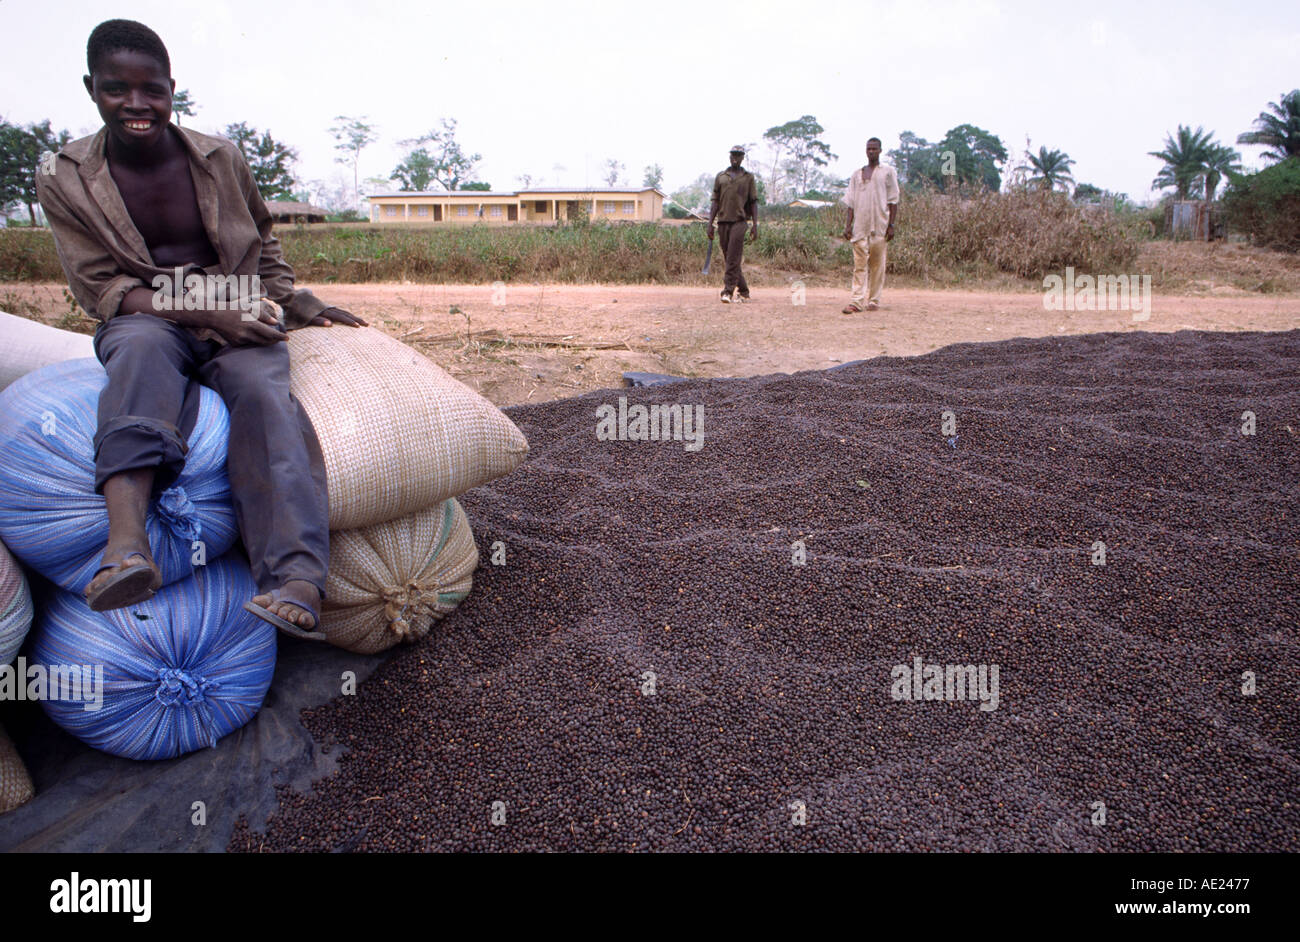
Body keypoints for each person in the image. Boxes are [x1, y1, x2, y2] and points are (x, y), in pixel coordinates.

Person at [36, 19, 367, 640]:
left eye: (152, 90)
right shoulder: (65, 176)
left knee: (267, 398)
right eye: (117, 90)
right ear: (91, 89)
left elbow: (262, 241)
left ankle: (294, 577)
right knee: (137, 356)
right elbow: (100, 289)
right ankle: (128, 546)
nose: (137, 105)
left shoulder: (220, 158)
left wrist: (295, 303)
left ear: (172, 88)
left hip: (237, 305)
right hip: (146, 314)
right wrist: (206, 312)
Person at [841, 137, 899, 313]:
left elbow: (893, 200)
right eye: (868, 149)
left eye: (874, 149)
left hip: (880, 225)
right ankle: (857, 301)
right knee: (859, 265)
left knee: (877, 265)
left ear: (880, 151)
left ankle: (873, 300)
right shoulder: (856, 174)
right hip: (860, 226)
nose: (871, 152)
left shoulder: (887, 172)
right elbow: (850, 202)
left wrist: (891, 225)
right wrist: (848, 225)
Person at [707, 145, 759, 303]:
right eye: (733, 155)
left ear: (743, 158)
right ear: (729, 157)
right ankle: (743, 290)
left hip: (739, 222)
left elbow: (753, 202)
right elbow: (715, 201)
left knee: (733, 258)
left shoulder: (748, 178)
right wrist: (710, 224)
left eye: (739, 155)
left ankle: (727, 291)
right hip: (722, 223)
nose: (735, 157)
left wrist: (755, 225)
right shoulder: (721, 177)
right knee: (730, 258)